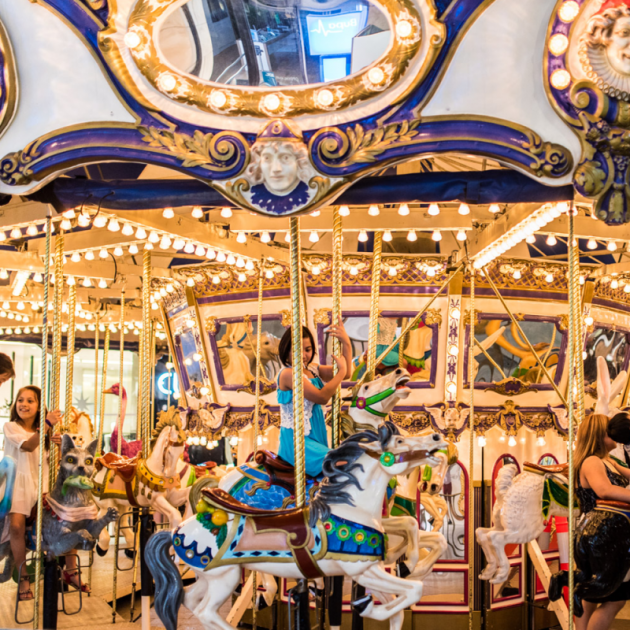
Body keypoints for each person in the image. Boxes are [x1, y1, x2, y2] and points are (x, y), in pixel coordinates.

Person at [3, 386, 62, 599]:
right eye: (20, 400)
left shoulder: (46, 434)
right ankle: (23, 576)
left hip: (41, 487)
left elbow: (54, 465)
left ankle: (64, 570)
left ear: (39, 407)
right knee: (17, 526)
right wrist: (47, 425)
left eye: (30, 401)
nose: (24, 404)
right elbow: (27, 446)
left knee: (58, 525)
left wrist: (59, 446)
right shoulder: (10, 427)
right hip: (17, 486)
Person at [573, 413, 630, 630]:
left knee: (592, 595)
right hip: (602, 533)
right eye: (611, 430)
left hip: (600, 532)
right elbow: (604, 490)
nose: (616, 433)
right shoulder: (592, 461)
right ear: (600, 434)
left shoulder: (608, 461)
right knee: (613, 599)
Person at [276, 324, 352, 477]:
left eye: (308, 349)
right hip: (298, 441)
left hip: (316, 434)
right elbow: (321, 397)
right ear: (287, 350)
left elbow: (347, 374)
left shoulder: (313, 369)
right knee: (342, 461)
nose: (303, 355)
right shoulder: (288, 374)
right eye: (297, 350)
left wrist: (346, 343)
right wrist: (341, 371)